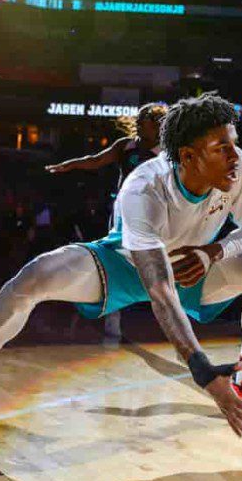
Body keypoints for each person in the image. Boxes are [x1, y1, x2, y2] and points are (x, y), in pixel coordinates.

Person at [0, 94, 242, 437]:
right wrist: (204, 373)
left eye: (233, 144)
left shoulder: (234, 166)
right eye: (222, 147)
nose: (233, 155)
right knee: (35, 277)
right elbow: (159, 293)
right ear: (189, 155)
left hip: (192, 265)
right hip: (124, 264)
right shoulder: (144, 187)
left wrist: (214, 253)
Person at [46, 103, 169, 338]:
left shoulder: (166, 153)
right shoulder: (125, 146)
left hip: (153, 213)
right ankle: (113, 320)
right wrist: (70, 165)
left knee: (155, 266)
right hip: (124, 210)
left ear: (158, 125)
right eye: (139, 119)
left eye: (145, 120)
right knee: (118, 262)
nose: (140, 124)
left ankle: (169, 318)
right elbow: (95, 160)